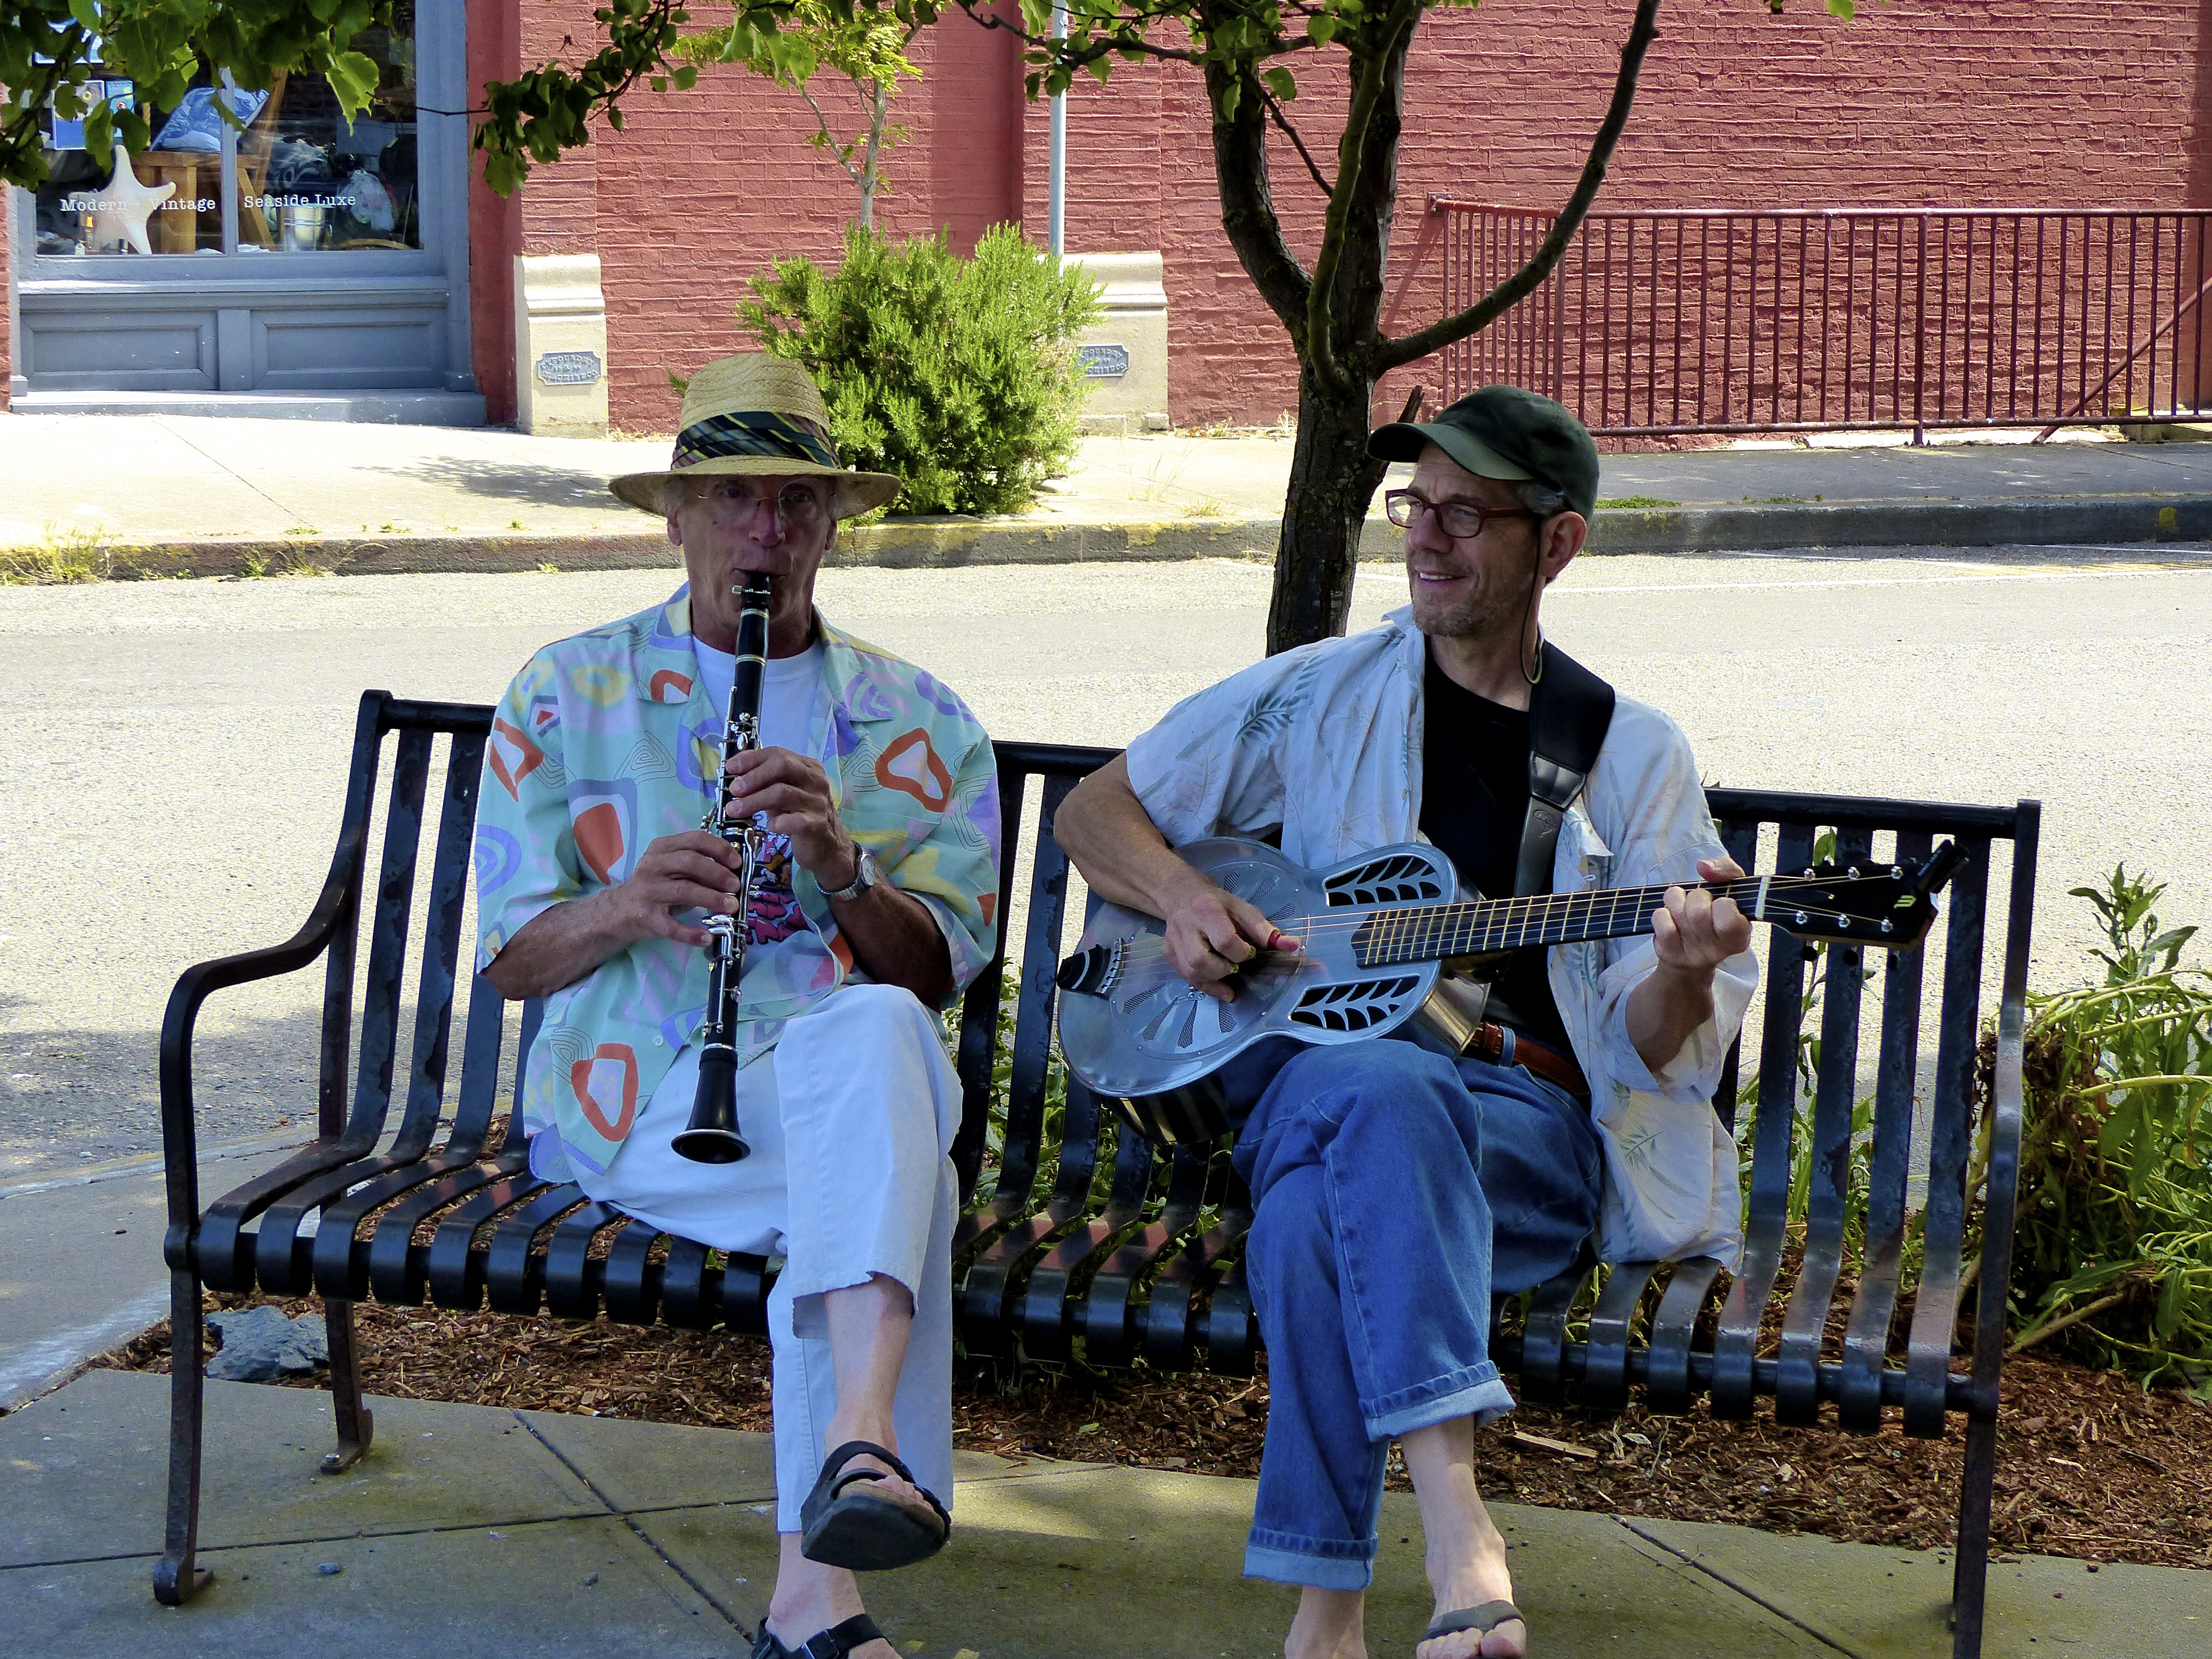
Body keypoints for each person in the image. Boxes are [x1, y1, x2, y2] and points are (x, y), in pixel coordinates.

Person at [1054, 386, 1759, 1659]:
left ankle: (1325, 1616)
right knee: (1376, 1088)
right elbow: (1093, 812)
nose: (1425, 539)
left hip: (1522, 1135)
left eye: (1464, 515)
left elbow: (1660, 1050)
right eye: (1412, 507)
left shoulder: (1625, 755)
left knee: (1319, 1201)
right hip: (1322, 1088)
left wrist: (1689, 970)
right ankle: (1455, 1538)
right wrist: (1183, 896)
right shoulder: (1321, 693)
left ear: (1556, 545)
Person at [473, 356, 1001, 1659]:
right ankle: (843, 1512)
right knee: (883, 1197)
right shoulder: (566, 690)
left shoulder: (916, 718)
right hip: (640, 1095)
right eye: (732, 501)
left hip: (846, 1081)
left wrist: (841, 866)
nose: (764, 532)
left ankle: (837, 1514)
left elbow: (936, 977)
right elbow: (507, 965)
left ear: (832, 524)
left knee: (876, 1036)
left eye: (794, 504)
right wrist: (623, 906)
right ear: (677, 518)